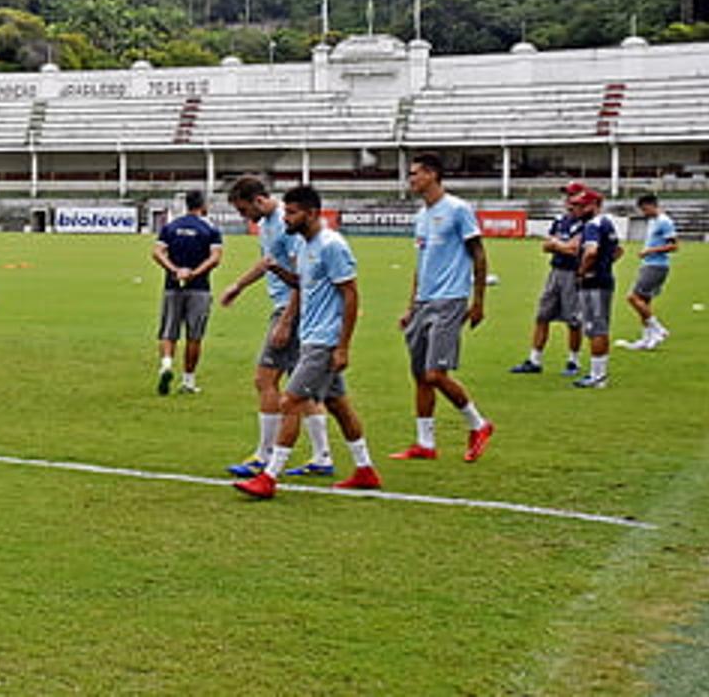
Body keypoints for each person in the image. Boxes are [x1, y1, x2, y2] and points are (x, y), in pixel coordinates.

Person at [233, 185, 381, 499]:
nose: (285, 218)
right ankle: (365, 469)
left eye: (292, 212)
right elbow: (304, 285)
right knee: (338, 405)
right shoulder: (304, 246)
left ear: (312, 213)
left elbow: (351, 294)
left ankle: (269, 476)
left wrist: (342, 346)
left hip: (324, 341)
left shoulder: (331, 245)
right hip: (311, 335)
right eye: (286, 211)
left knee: (290, 401)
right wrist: (279, 273)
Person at [221, 176, 334, 479]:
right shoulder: (268, 225)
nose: (243, 217)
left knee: (265, 379)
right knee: (303, 388)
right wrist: (238, 286)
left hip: (292, 310)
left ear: (258, 200)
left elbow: (303, 276)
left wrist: (285, 320)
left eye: (244, 210)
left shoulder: (288, 224)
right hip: (289, 309)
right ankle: (322, 456)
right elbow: (267, 263)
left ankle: (264, 454)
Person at [393, 153, 495, 463]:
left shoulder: (458, 209)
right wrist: (411, 306)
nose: (410, 179)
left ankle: (479, 425)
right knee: (420, 375)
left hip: (450, 300)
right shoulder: (421, 216)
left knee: (436, 373)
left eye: (415, 174)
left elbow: (478, 254)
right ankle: (425, 443)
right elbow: (421, 264)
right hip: (424, 302)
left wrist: (478, 301)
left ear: (433, 174)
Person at [150, 190, 223, 395]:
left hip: (172, 286)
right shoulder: (210, 229)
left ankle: (166, 365)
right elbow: (215, 258)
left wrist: (174, 270)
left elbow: (156, 252)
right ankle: (188, 381)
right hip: (199, 288)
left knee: (168, 332)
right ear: (203, 205)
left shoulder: (171, 227)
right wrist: (194, 273)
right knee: (194, 336)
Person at [510, 188, 587, 376]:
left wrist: (557, 245)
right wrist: (561, 246)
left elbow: (574, 250)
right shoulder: (560, 221)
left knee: (574, 320)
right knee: (542, 316)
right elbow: (546, 246)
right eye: (566, 196)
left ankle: (573, 361)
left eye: (572, 196)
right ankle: (534, 360)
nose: (568, 200)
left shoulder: (587, 224)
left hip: (574, 273)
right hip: (556, 272)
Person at [571, 190, 622, 388]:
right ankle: (597, 373)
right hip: (603, 280)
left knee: (596, 327)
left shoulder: (593, 225)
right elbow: (618, 250)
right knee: (596, 327)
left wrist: (582, 272)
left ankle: (598, 375)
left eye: (582, 205)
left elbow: (591, 252)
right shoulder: (606, 223)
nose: (577, 209)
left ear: (594, 205)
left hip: (594, 284)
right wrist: (605, 265)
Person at [621, 194, 678, 351]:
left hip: (656, 265)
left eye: (644, 209)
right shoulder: (654, 221)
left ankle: (658, 329)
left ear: (652, 205)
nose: (643, 213)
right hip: (649, 264)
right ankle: (646, 339)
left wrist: (650, 251)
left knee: (632, 297)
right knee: (644, 302)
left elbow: (674, 246)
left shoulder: (664, 222)